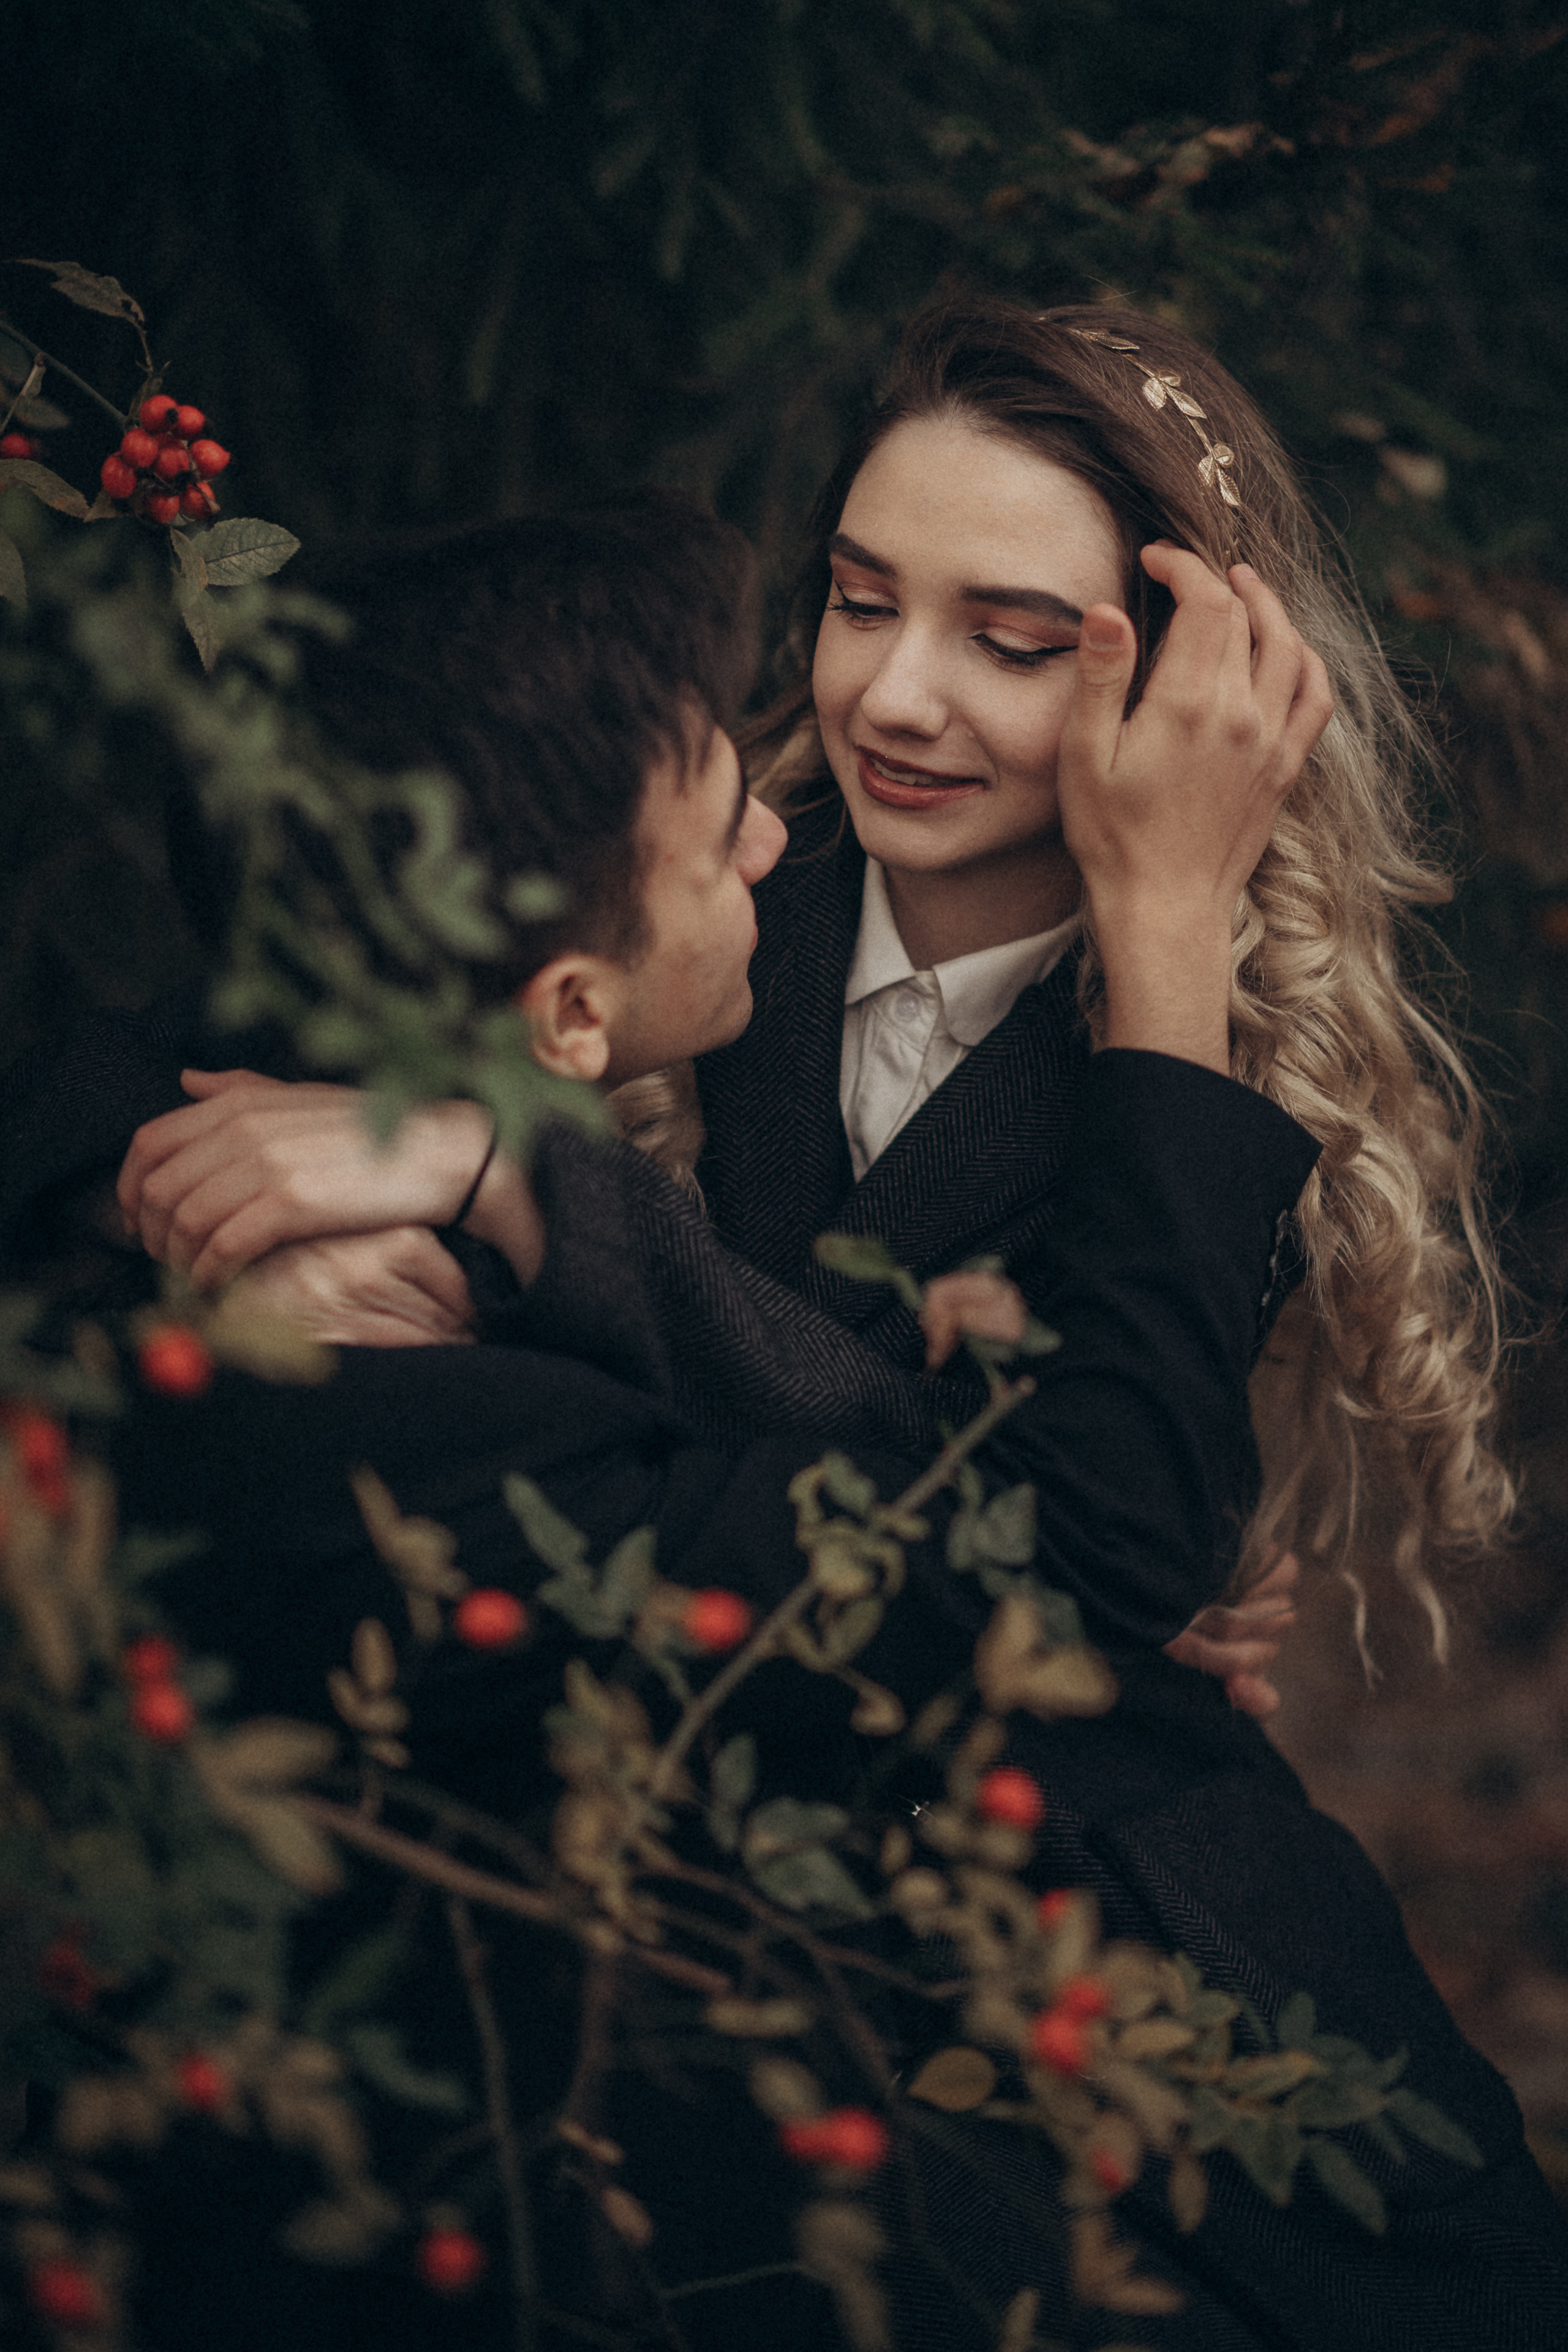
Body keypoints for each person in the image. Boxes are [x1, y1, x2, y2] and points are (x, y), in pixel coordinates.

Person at [66, 497, 1562, 2350]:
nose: (782, 834)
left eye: (1014, 638)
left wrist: (481, 1161)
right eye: (857, 603)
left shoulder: (387, 1027)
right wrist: (1167, 928)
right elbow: (1077, 1539)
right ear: (568, 1008)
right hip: (754, 2138)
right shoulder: (404, 1444)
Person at [117, 298, 1507, 1684]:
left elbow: (1096, 1527)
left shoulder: (1203, 1050)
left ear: (1192, 697)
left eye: (1012, 643)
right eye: (861, 602)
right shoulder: (665, 885)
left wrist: (1165, 923)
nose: (893, 696)